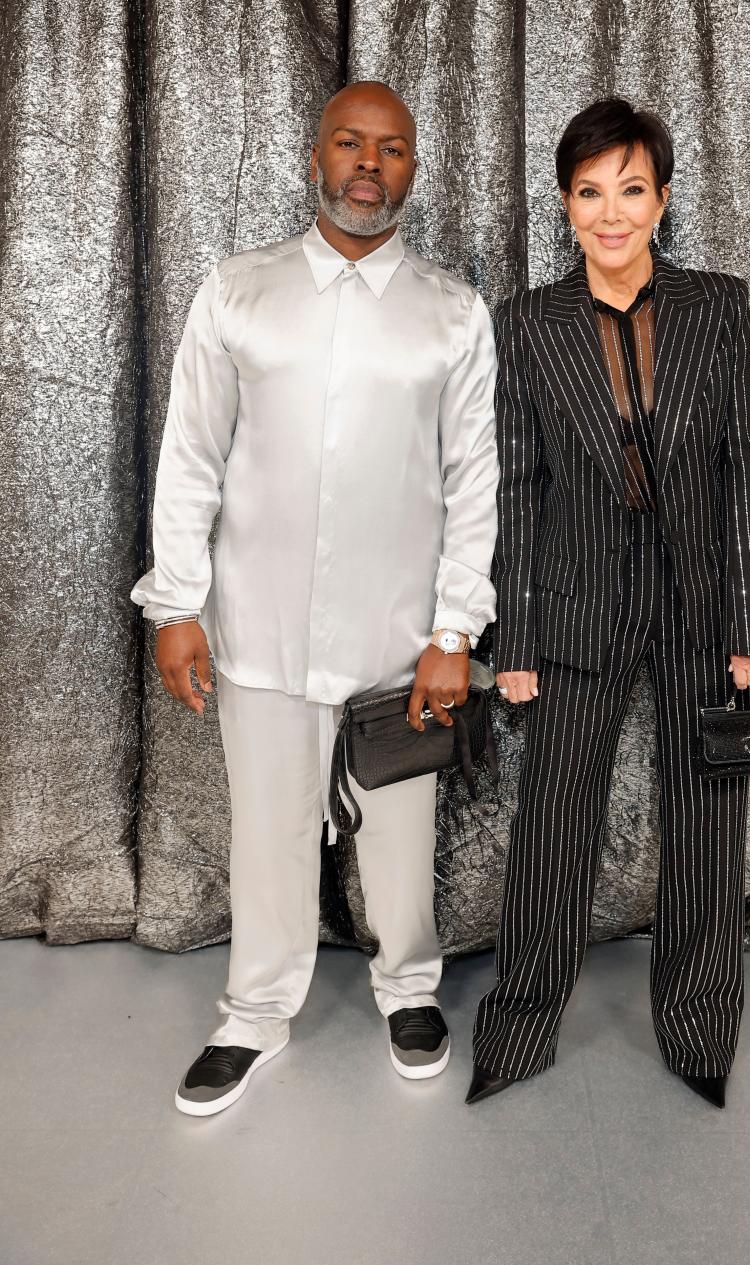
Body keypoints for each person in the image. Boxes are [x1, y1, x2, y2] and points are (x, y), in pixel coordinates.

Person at [131, 81, 499, 1116]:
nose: (369, 163)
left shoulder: (451, 311)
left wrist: (452, 631)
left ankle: (409, 986)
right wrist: (178, 606)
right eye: (351, 142)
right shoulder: (237, 292)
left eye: (390, 149)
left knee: (399, 825)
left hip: (399, 639)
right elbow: (191, 457)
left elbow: (475, 478)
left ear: (413, 172)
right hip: (258, 621)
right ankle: (252, 1012)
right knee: (272, 827)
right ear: (316, 156)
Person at [468, 97, 750, 1109]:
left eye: (631, 190)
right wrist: (513, 629)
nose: (612, 213)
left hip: (699, 601)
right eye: (590, 193)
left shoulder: (717, 306)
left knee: (705, 819)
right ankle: (518, 1029)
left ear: (664, 198)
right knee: (554, 821)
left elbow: (747, 467)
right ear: (566, 206)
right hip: (573, 600)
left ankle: (699, 1030)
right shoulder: (526, 324)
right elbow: (516, 482)